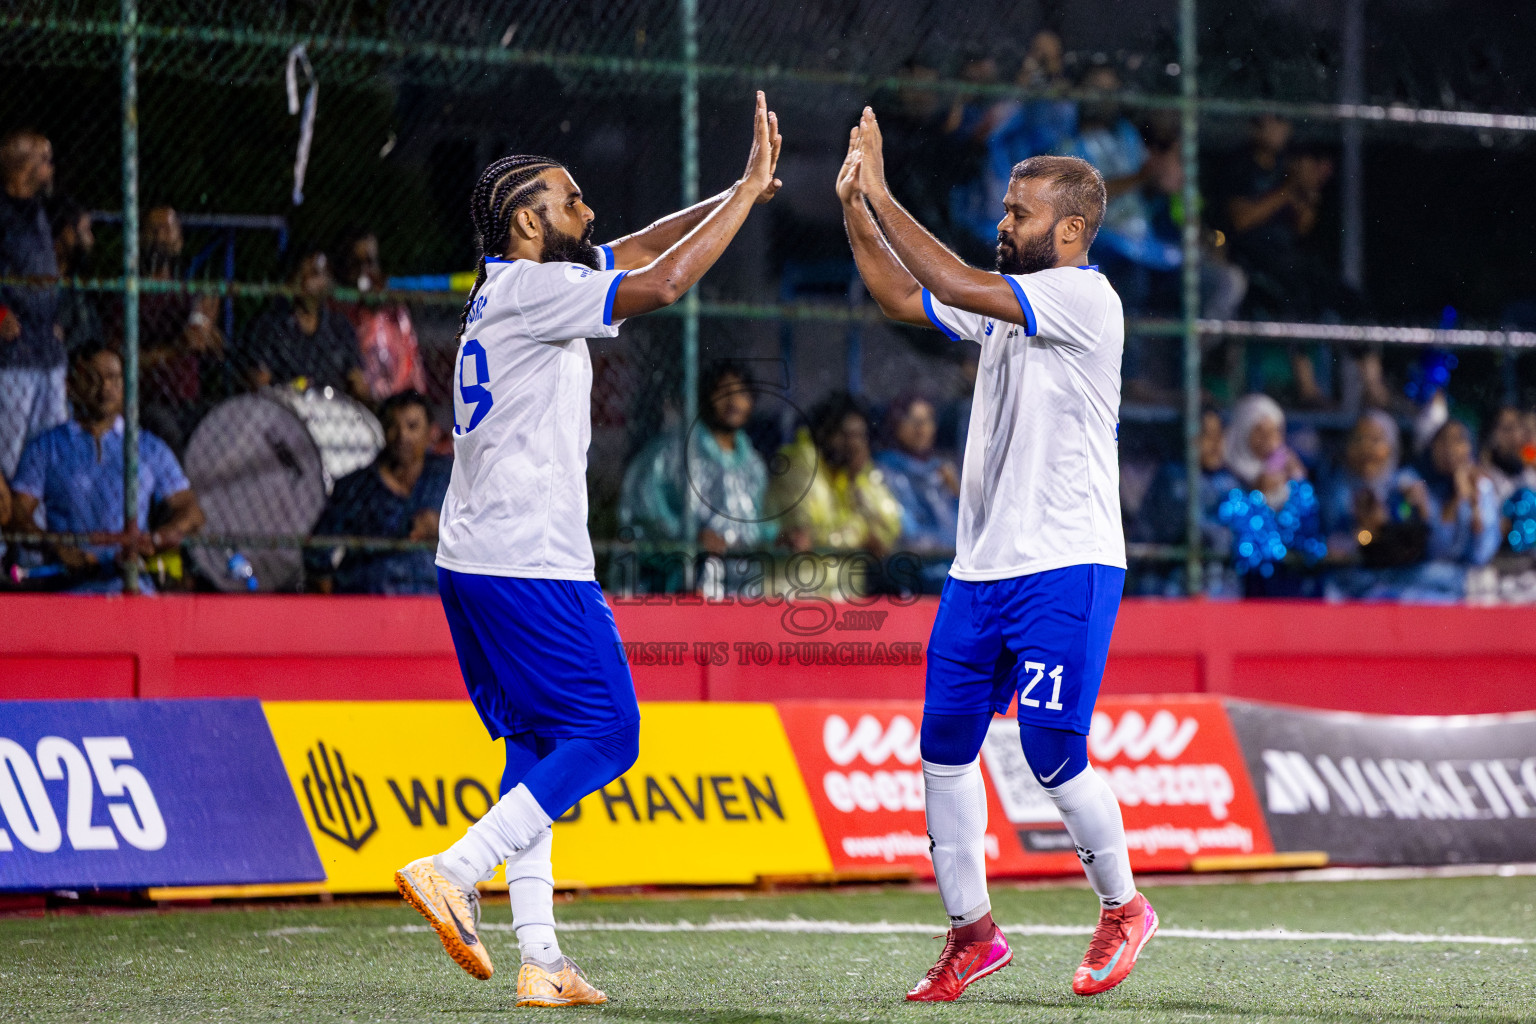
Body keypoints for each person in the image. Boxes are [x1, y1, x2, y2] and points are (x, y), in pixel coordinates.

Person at [393, 92, 782, 1007]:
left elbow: (645, 250)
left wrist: (737, 189)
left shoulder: (513, 285)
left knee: (537, 741)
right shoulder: (536, 289)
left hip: (477, 559)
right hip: (531, 562)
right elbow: (668, 283)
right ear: (529, 219)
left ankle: (542, 956)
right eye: (572, 202)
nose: (589, 212)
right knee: (609, 732)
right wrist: (744, 197)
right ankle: (456, 867)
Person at [840, 111, 1155, 999]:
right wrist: (855, 210)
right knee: (944, 750)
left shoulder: (1085, 298)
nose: (1002, 222)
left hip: (1068, 560)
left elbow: (946, 274)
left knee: (1054, 749)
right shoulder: (1010, 306)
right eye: (1005, 209)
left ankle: (1123, 908)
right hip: (979, 571)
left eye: (1018, 213)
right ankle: (971, 934)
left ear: (1070, 231)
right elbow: (906, 296)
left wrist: (882, 191)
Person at [8, 343, 204, 593]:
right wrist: (56, 546)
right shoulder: (47, 447)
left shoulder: (148, 446)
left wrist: (152, 541)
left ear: (125, 384)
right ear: (70, 386)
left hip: (132, 589)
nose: (105, 388)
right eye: (92, 378)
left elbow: (191, 512)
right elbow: (16, 514)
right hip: (68, 591)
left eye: (113, 378)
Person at [618, 359, 775, 589]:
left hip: (743, 593)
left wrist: (782, 536)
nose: (733, 401)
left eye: (742, 393)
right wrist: (691, 539)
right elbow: (643, 515)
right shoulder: (672, 454)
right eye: (724, 391)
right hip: (682, 590)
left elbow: (764, 525)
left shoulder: (753, 465)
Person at [307, 390, 450, 595]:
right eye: (393, 427)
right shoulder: (356, 488)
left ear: (430, 432)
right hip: (369, 603)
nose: (403, 436)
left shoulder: (448, 480)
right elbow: (317, 555)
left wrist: (443, 525)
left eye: (412, 426)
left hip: (433, 605)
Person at [0, 130, 67, 479]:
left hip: (46, 346)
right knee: (9, 450)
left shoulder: (37, 210)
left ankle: (38, 526)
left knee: (51, 444)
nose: (51, 168)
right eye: (45, 160)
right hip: (13, 351)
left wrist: (54, 317)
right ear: (25, 166)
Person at [768, 390, 902, 560]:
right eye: (847, 435)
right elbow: (806, 534)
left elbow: (891, 528)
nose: (854, 445)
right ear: (824, 432)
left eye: (860, 437)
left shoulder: (854, 474)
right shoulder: (801, 465)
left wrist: (861, 482)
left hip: (841, 584)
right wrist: (861, 534)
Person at [136, 205, 225, 451]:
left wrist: (209, 334)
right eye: (154, 230)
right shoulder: (129, 294)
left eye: (168, 230)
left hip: (189, 402)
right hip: (148, 401)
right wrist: (177, 348)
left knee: (225, 425)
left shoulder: (188, 295)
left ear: (180, 241)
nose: (161, 237)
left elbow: (218, 355)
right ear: (141, 238)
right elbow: (123, 359)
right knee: (167, 430)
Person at [242, 248, 368, 402]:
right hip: (285, 412)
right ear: (291, 280)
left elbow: (357, 382)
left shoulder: (340, 327)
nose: (313, 282)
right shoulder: (271, 326)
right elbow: (259, 384)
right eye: (309, 273)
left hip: (331, 413)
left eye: (321, 273)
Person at [875, 393, 959, 591]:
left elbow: (963, 529)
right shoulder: (885, 470)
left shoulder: (941, 471)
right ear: (896, 424)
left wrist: (957, 494)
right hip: (912, 580)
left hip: (951, 576)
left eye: (928, 420)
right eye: (913, 420)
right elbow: (908, 533)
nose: (921, 428)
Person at [338, 229, 430, 403]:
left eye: (370, 263)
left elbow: (412, 370)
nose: (364, 272)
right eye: (357, 264)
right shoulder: (342, 315)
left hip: (400, 401)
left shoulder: (396, 313)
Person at [1418, 419, 1501, 568]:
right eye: (1442, 440)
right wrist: (1457, 500)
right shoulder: (1421, 486)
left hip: (1468, 579)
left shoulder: (1482, 486)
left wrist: (1473, 504)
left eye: (1458, 440)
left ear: (1471, 447)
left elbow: (1482, 553)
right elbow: (1437, 552)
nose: (1449, 448)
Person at [1223, 393, 1305, 509]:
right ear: (1243, 431)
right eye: (1259, 432)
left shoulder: (1286, 466)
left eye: (1274, 431)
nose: (1269, 440)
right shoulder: (1224, 473)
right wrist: (1258, 493)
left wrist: (1297, 481)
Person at [51, 199, 101, 354]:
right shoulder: (29, 275)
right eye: (85, 230)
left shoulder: (77, 279)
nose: (91, 239)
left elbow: (88, 333)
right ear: (66, 231)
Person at [1480, 406, 1536, 503]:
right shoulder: (1483, 479)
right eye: (1507, 429)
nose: (1515, 436)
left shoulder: (1529, 475)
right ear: (1492, 435)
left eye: (1519, 427)